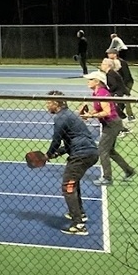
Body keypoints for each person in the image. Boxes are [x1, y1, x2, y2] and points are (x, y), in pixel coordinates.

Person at [43, 90, 99, 236]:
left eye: (48, 102)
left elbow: (56, 139)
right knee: (73, 183)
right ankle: (80, 213)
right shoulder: (70, 115)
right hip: (89, 152)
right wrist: (57, 153)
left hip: (81, 155)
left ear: (56, 103)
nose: (46, 105)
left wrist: (48, 155)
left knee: (67, 186)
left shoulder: (60, 118)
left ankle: (78, 224)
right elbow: (71, 141)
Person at [81, 70, 135, 187]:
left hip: (112, 124)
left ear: (97, 81)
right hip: (110, 124)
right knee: (110, 150)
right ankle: (129, 170)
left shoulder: (101, 93)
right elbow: (99, 109)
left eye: (91, 79)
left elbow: (107, 111)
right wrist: (89, 113)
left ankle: (107, 177)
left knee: (102, 150)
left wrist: (91, 115)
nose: (88, 81)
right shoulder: (96, 93)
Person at [107, 47, 136, 122]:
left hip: (127, 82)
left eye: (110, 53)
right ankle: (120, 114)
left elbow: (126, 76)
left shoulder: (122, 62)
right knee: (118, 99)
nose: (108, 55)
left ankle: (130, 116)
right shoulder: (110, 62)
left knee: (125, 98)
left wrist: (123, 88)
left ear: (115, 54)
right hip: (120, 83)